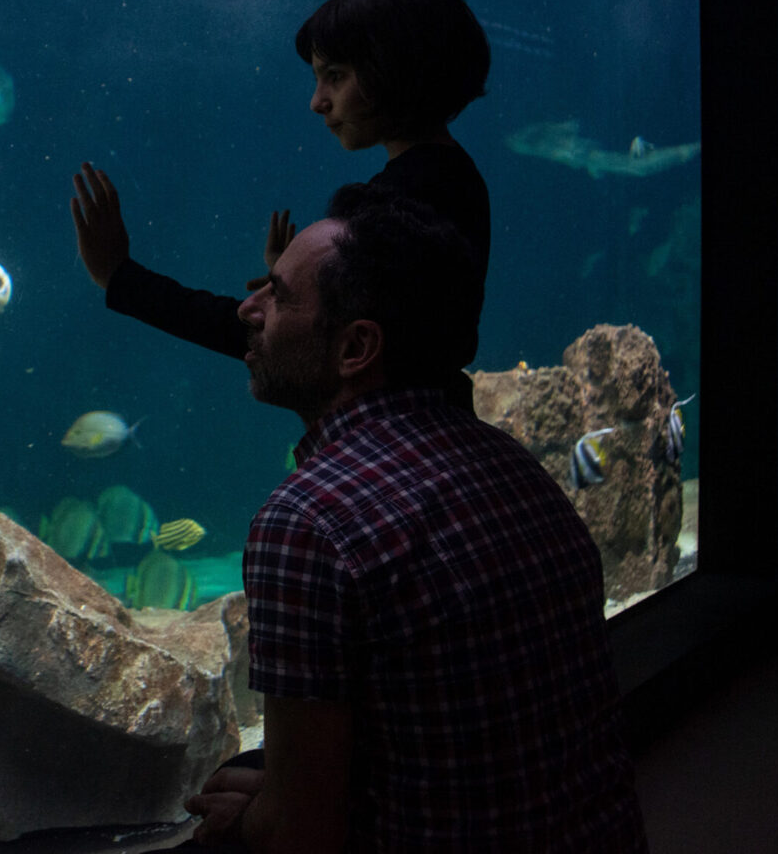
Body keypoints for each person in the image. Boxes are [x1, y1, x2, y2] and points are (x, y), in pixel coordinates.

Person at [183, 184, 645, 852]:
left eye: (277, 296)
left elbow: (300, 835)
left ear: (355, 349)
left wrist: (254, 820)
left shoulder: (309, 521)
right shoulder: (510, 463)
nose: (246, 310)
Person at [71, 0, 491, 373]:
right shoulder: (459, 180)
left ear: (398, 72)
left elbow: (289, 345)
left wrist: (120, 277)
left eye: (336, 77)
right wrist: (301, 285)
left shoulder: (395, 208)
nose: (317, 101)